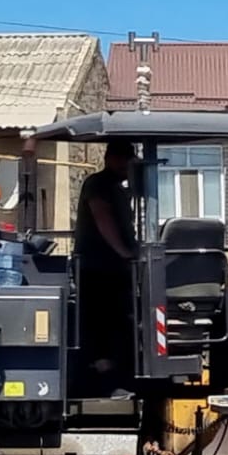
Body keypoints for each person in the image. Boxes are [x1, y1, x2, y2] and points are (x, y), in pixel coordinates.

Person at [75, 139, 139, 383]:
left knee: (121, 317)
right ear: (111, 158)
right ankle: (101, 369)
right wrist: (123, 251)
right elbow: (103, 219)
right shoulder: (98, 184)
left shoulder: (119, 187)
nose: (127, 163)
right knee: (101, 318)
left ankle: (117, 365)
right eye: (124, 158)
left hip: (115, 266)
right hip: (97, 265)